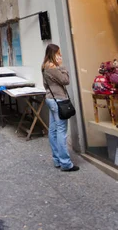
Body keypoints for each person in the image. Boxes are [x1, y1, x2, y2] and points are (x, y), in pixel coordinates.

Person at [42, 44, 79, 172]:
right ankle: (65, 163)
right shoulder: (53, 68)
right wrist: (62, 67)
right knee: (61, 131)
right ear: (53, 54)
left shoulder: (44, 66)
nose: (60, 55)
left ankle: (57, 159)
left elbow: (45, 84)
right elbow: (65, 80)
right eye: (58, 53)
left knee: (53, 130)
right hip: (59, 100)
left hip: (50, 99)